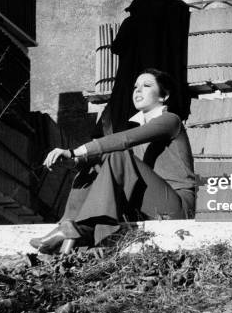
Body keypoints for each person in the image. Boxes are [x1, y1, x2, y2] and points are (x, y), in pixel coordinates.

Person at [30, 68, 197, 254]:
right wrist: (74, 160)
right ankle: (69, 226)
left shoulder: (170, 121)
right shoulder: (140, 127)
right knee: (91, 164)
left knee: (117, 153)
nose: (138, 90)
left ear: (163, 96)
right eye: (135, 87)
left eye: (146, 86)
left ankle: (86, 229)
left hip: (177, 207)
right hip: (149, 205)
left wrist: (76, 150)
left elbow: (126, 139)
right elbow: (105, 154)